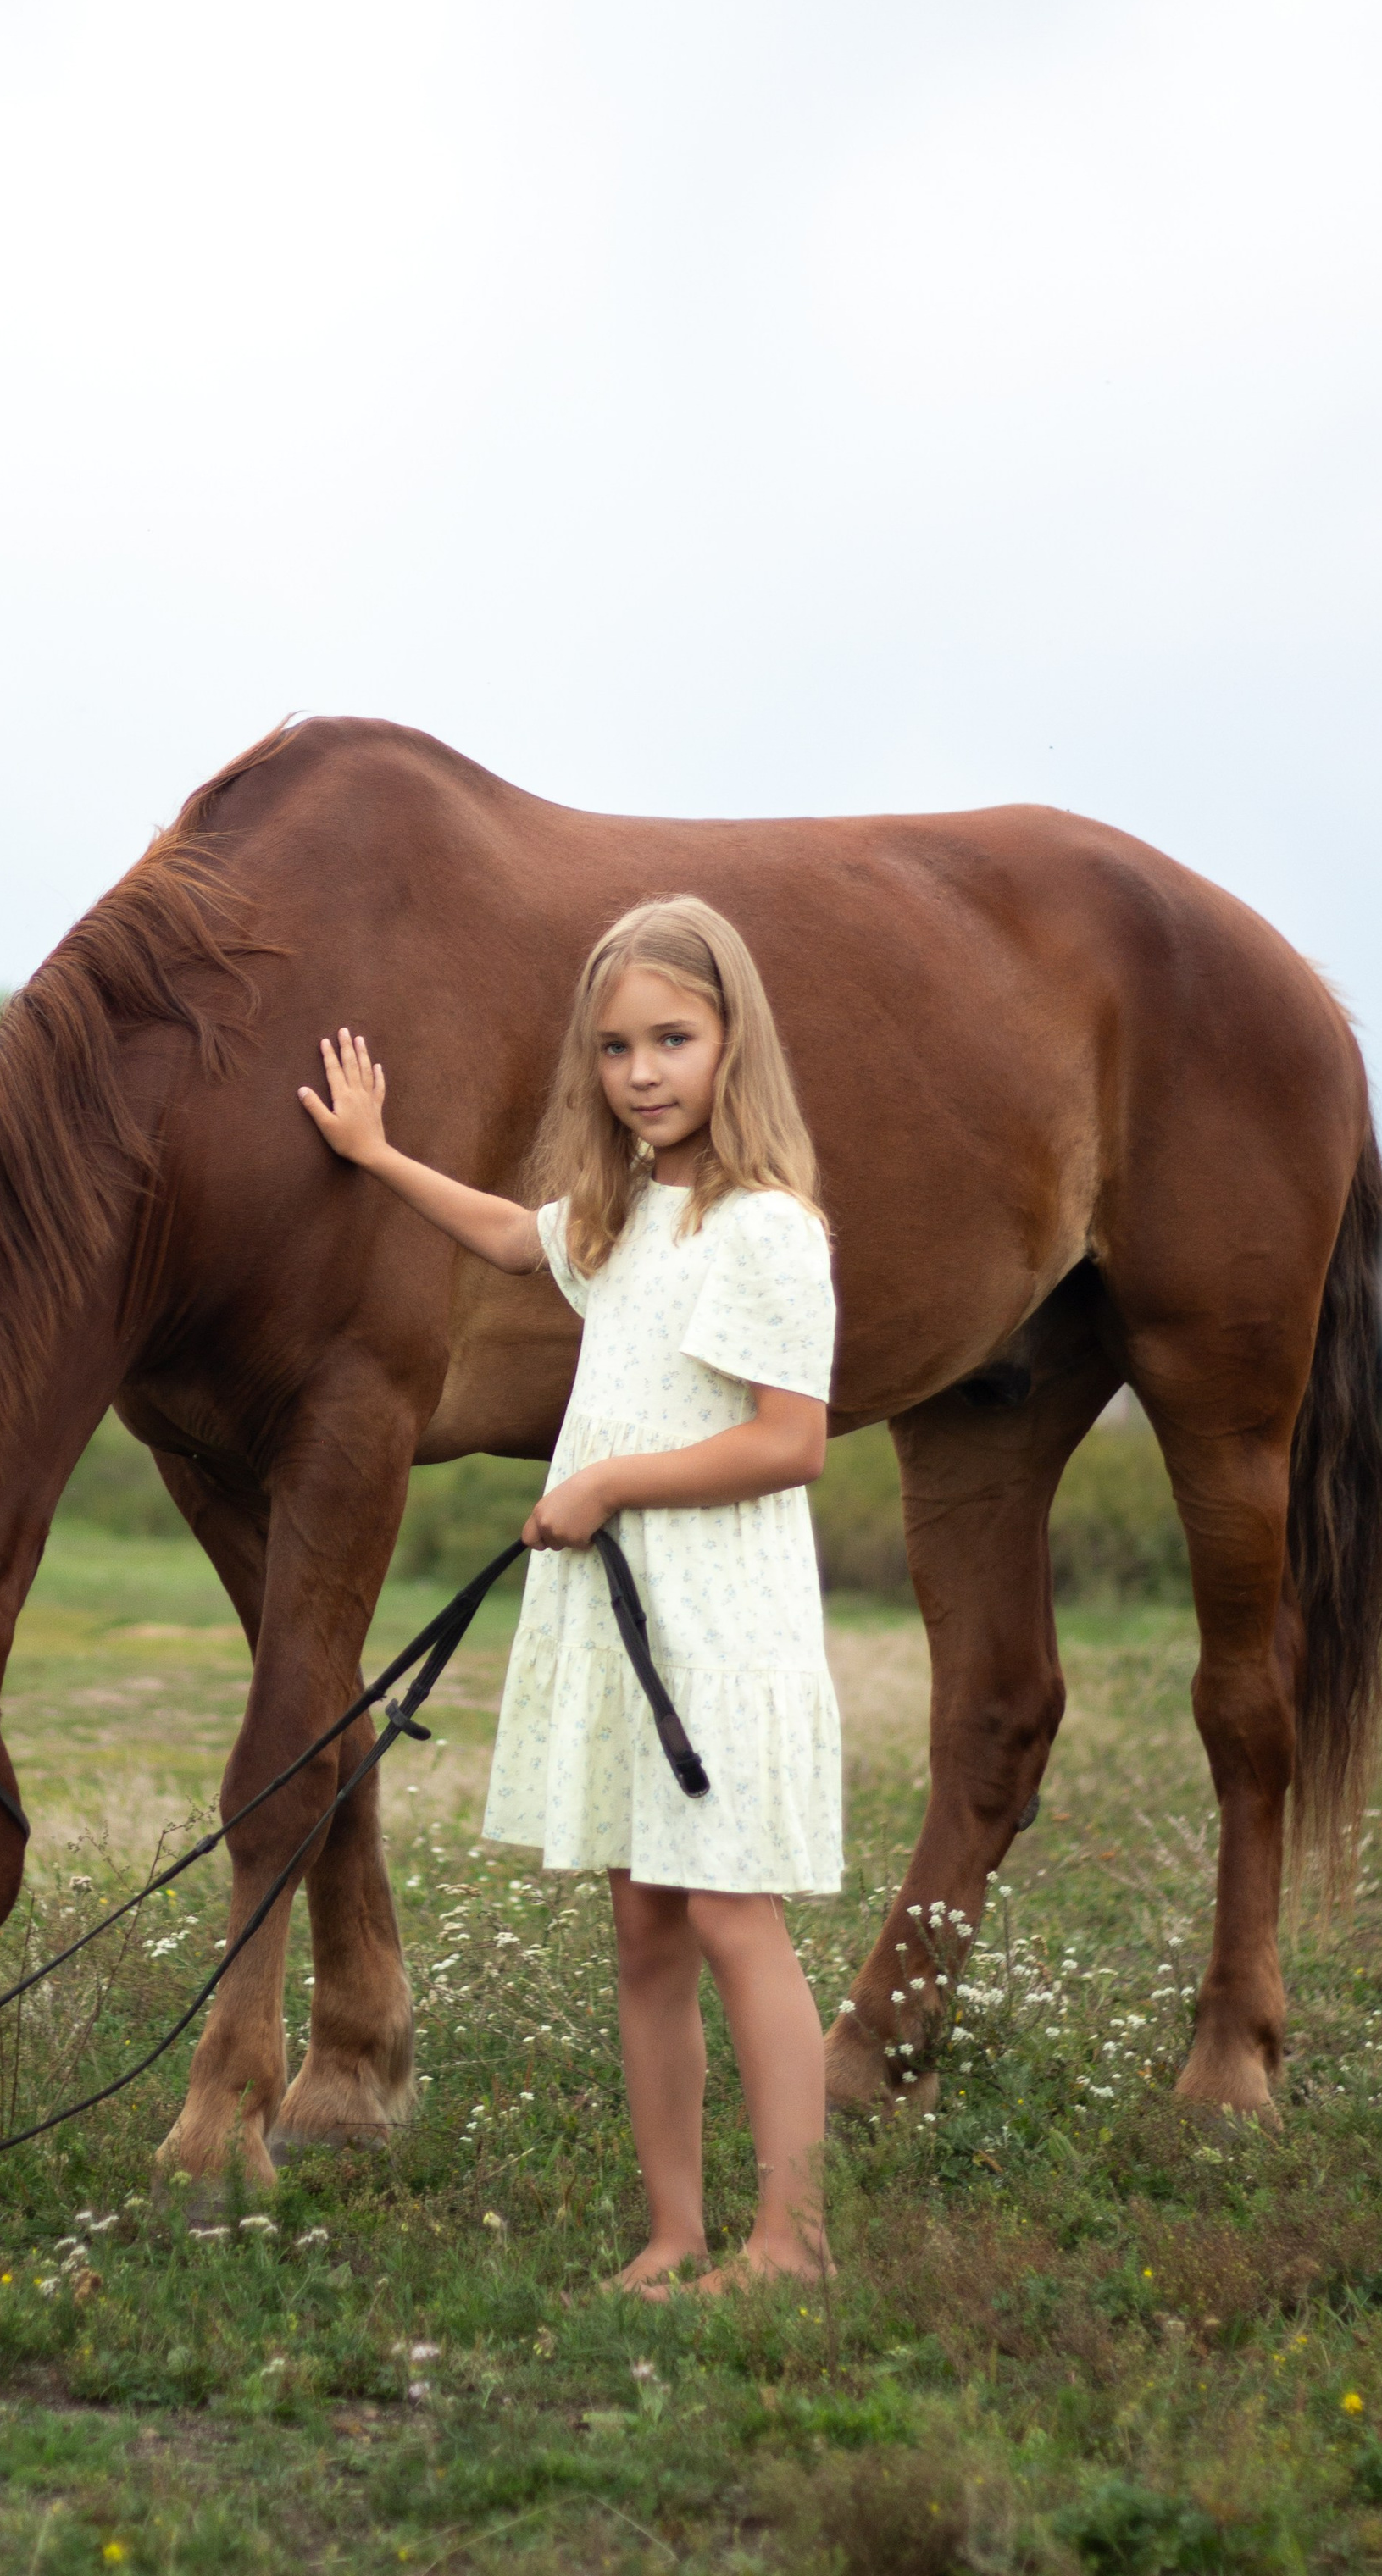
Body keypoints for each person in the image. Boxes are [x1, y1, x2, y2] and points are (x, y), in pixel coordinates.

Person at [297, 895, 841, 2296]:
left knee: (732, 1916)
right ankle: (675, 2234)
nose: (643, 1071)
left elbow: (792, 1439)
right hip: (619, 1613)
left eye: (673, 1037)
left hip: (713, 1614)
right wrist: (373, 1155)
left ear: (735, 1041)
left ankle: (791, 2239)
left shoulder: (766, 1227)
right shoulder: (627, 1213)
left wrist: (607, 1484)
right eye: (615, 1048)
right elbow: (502, 1236)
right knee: (643, 1924)